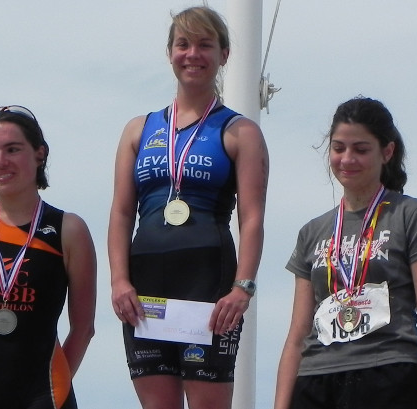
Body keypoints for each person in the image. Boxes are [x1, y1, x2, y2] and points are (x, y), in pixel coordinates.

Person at [108, 6, 269, 409]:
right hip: (146, 286)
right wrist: (118, 281)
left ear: (224, 55)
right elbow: (121, 213)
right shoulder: (138, 129)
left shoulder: (240, 132)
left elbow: (252, 219)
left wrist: (242, 287)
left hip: (208, 285)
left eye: (204, 45)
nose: (192, 54)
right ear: (170, 53)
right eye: (183, 44)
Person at [274, 97, 417, 409]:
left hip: (388, 373)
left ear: (387, 151)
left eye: (360, 149)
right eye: (339, 147)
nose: (347, 158)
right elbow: (297, 334)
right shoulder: (311, 232)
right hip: (316, 379)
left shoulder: (411, 215)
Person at [0, 105, 97, 409]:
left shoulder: (69, 230)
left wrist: (56, 382)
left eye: (12, 149)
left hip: (43, 394)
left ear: (39, 153)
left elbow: (83, 328)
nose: (0, 162)